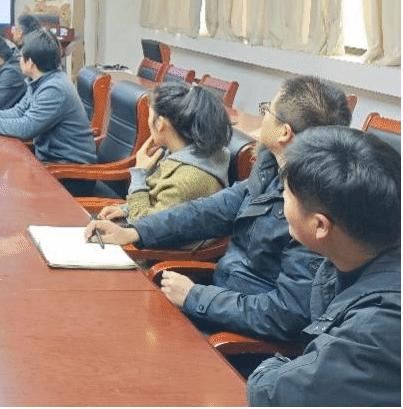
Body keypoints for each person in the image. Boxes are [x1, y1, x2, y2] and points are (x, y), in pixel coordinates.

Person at [85, 76, 353, 342]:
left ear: (284, 132)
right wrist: (135, 231)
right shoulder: (271, 169)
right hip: (218, 303)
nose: (263, 119)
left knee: (119, 332)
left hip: (237, 338)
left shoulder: (312, 211)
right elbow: (208, 211)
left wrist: (195, 297)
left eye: (267, 111)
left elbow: (287, 315)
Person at [246, 127, 400, 406]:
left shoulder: (377, 327)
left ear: (319, 225)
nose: (282, 199)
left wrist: (277, 366)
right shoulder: (355, 254)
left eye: (286, 194)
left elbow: (271, 393)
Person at [94, 82, 232, 211]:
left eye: (149, 116)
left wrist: (139, 173)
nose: (149, 122)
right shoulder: (177, 153)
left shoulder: (184, 182)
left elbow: (143, 225)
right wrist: (125, 210)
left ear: (160, 123)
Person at [0, 30, 96, 165]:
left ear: (30, 62)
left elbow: (26, 128)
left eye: (21, 56)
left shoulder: (54, 89)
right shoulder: (39, 80)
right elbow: (18, 112)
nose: (18, 60)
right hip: (49, 158)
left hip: (68, 167)